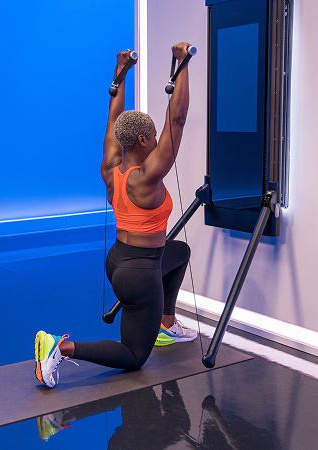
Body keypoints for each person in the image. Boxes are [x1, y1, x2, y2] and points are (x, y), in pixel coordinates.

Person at [35, 43, 197, 388]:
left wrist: (121, 71)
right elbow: (177, 120)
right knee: (134, 356)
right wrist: (183, 64)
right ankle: (61, 348)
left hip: (118, 260)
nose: (158, 139)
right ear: (142, 140)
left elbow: (114, 116)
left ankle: (166, 324)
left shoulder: (112, 167)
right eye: (153, 136)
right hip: (139, 273)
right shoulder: (147, 178)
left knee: (180, 251)